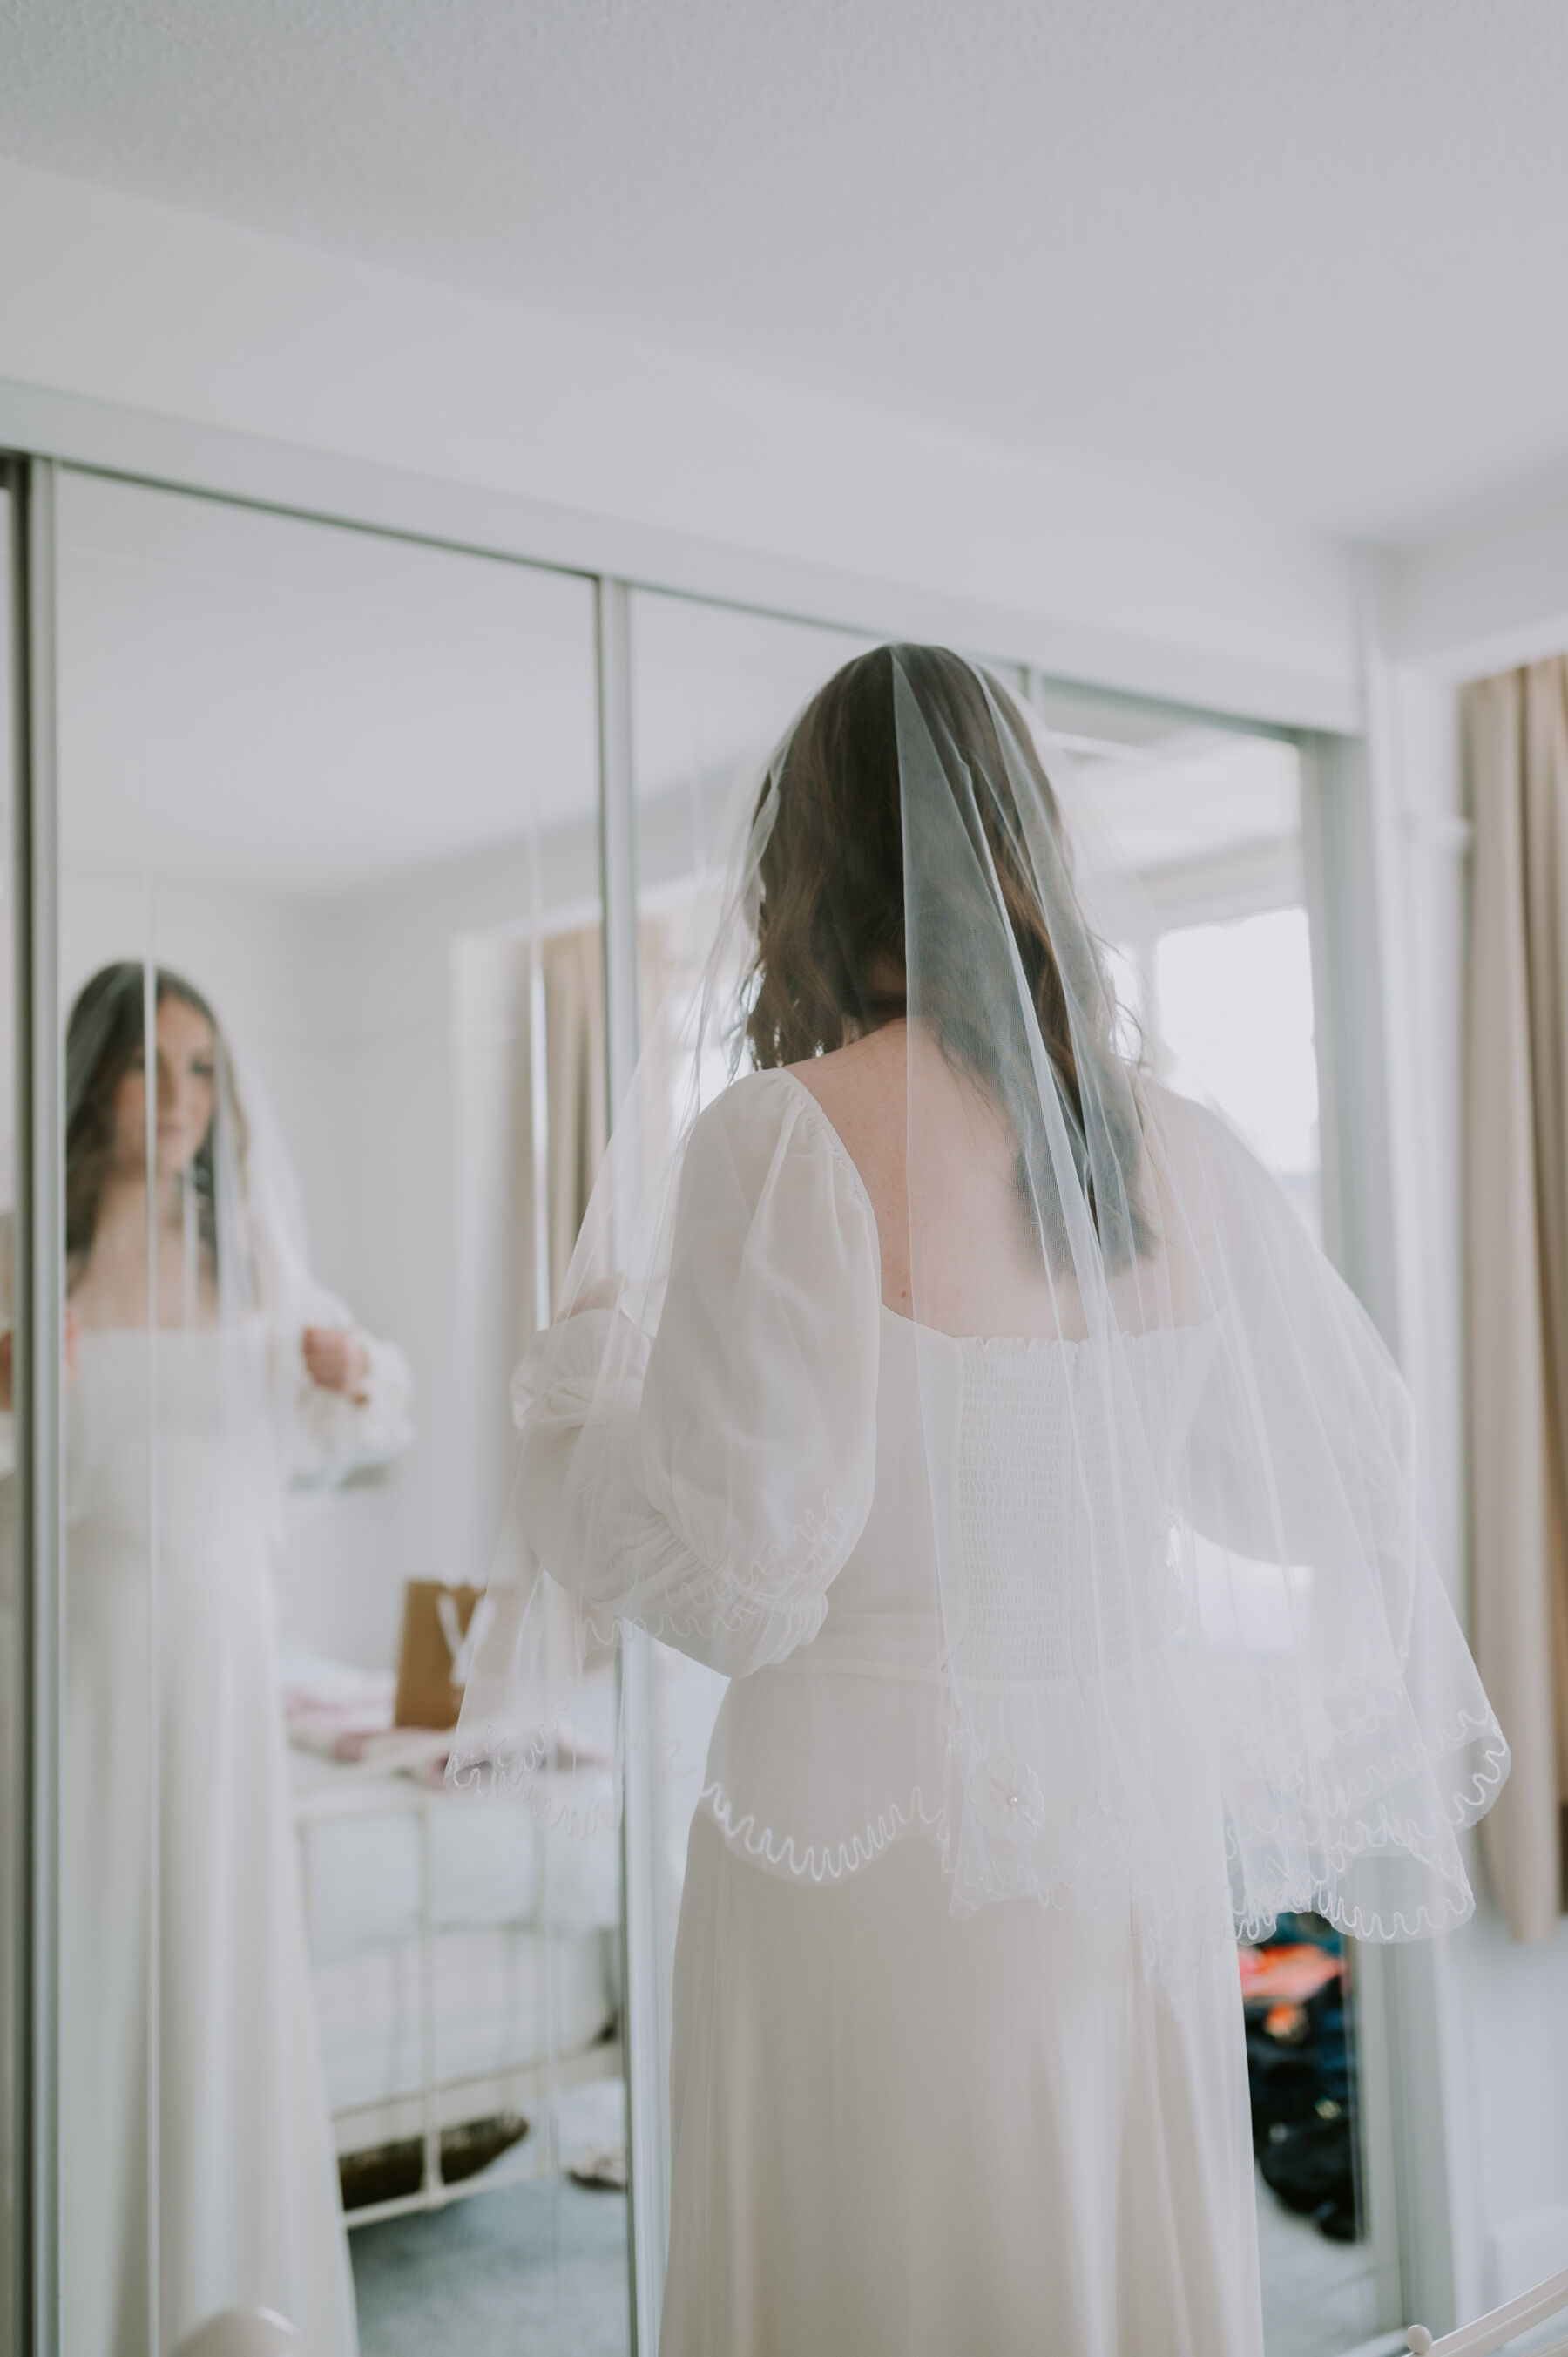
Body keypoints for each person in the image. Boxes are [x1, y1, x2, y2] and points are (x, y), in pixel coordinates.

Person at [454, 647, 1508, 2356]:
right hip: (1128, 1820)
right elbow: (1311, 1483)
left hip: (862, 1842)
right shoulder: (1181, 1148)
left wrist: (576, 1413)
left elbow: (743, 1582)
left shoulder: (784, 1140)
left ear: (808, 867)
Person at [2, 964, 413, 2357]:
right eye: (150, 1065)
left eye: (198, 1070)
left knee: (218, 1960)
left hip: (228, 1653)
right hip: (88, 1665)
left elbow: (366, 1395)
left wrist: (354, 1371)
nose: (178, 1098)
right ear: (94, 1079)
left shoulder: (248, 1256)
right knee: (95, 1956)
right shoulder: (30, 1261)